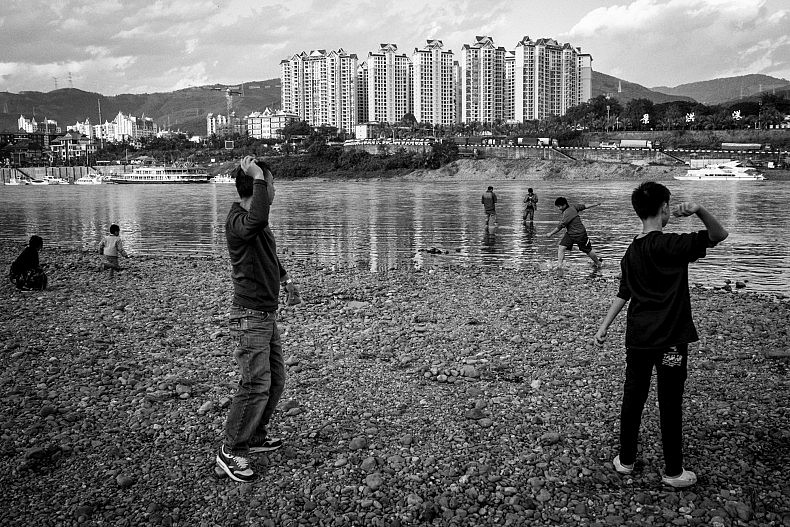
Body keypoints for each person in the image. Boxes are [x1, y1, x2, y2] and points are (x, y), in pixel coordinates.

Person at [594, 181, 728, 488]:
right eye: (669, 205)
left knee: (633, 397)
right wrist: (698, 210)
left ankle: (626, 460)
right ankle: (673, 472)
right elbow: (719, 235)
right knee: (670, 402)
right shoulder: (672, 245)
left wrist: (604, 325)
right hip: (670, 340)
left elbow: (624, 292)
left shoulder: (631, 251)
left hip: (638, 337)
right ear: (664, 208)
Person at [216, 156, 301, 483]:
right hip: (249, 315)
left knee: (275, 380)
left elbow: (269, 255)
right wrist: (256, 176)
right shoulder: (239, 220)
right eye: (270, 183)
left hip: (265, 314)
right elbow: (257, 216)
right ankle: (231, 450)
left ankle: (255, 434)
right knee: (254, 384)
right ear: (257, 186)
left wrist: (286, 279)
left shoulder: (257, 224)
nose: (274, 189)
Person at [546, 197, 603, 268]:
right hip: (570, 233)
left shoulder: (567, 213)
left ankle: (598, 263)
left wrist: (551, 233)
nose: (558, 208)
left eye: (559, 206)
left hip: (580, 234)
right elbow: (584, 206)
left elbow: (560, 226)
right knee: (561, 247)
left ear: (564, 205)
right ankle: (559, 265)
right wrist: (595, 204)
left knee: (587, 250)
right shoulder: (574, 207)